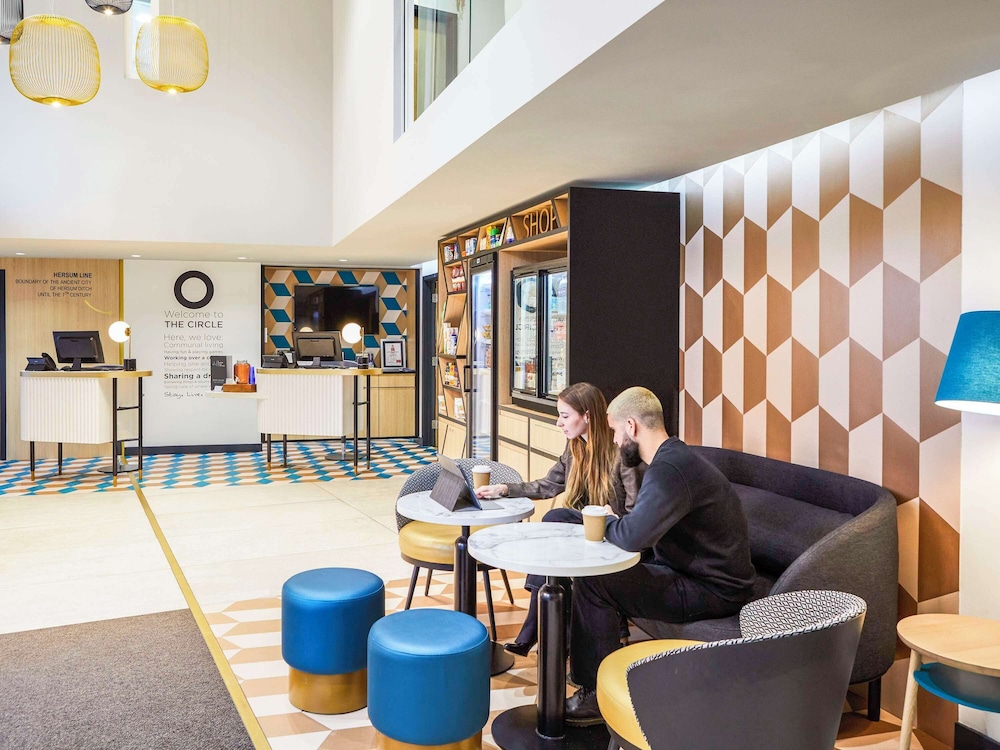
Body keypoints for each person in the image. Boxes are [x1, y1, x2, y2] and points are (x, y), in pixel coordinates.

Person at [564, 386, 756, 726]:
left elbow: (633, 536)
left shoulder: (670, 470)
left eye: (615, 431)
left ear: (632, 426)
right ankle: (591, 673)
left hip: (712, 591)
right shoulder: (675, 459)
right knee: (593, 569)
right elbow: (641, 531)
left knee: (594, 581)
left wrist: (607, 520)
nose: (614, 441)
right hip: (690, 573)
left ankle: (595, 694)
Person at [476, 382, 644, 655]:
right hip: (585, 530)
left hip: (614, 534)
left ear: (587, 416)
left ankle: (537, 632)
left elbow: (636, 513)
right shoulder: (575, 447)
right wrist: (504, 489)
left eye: (565, 416)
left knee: (556, 517)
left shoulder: (621, 452)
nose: (558, 423)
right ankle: (547, 633)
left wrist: (612, 518)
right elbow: (548, 485)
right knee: (555, 519)